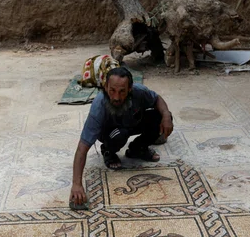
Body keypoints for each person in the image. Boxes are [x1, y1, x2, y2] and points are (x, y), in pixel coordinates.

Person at [70, 66, 174, 206]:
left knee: (160, 117)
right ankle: (108, 151)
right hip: (111, 133)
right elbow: (82, 148)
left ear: (130, 89)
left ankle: (138, 148)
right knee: (119, 135)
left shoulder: (139, 91)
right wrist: (76, 184)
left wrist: (166, 115)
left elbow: (156, 99)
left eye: (122, 91)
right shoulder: (99, 105)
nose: (116, 97)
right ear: (106, 87)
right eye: (112, 90)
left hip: (132, 123)